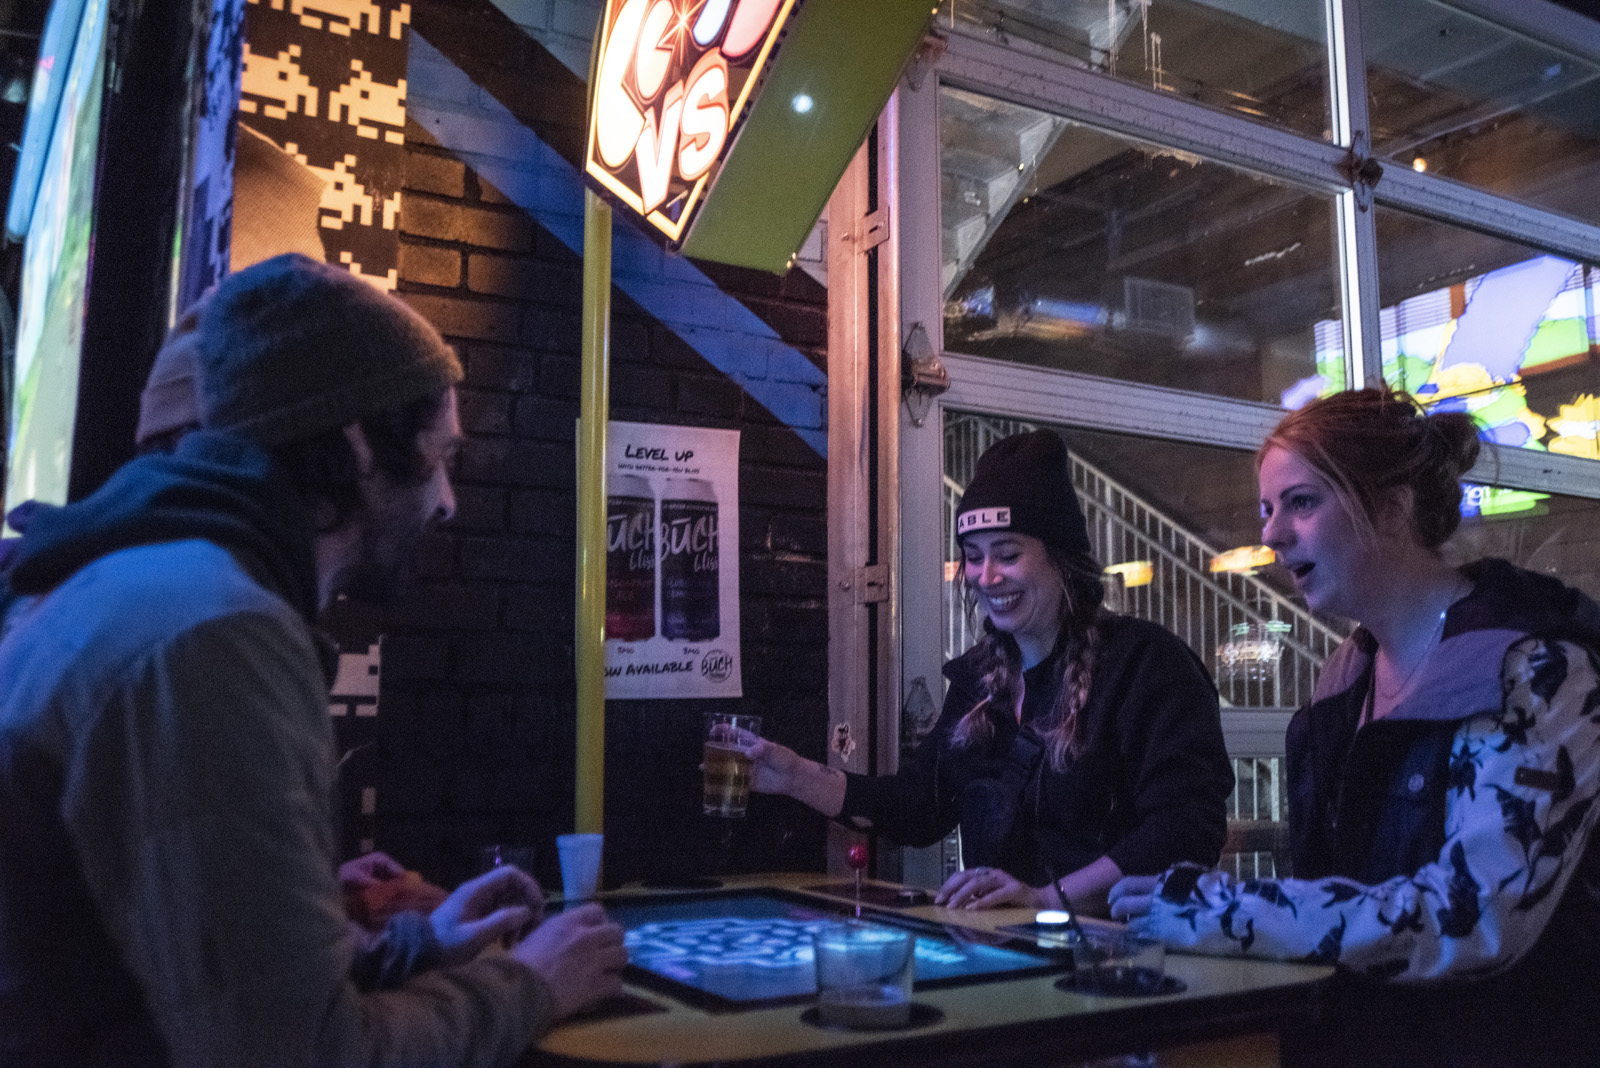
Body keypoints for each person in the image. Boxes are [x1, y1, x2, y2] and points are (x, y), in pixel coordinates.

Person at [0, 254, 627, 1067]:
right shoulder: (212, 634)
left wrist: (417, 946)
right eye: (438, 457)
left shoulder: (130, 589)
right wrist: (531, 984)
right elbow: (305, 1054)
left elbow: (160, 961)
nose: (448, 501)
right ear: (359, 443)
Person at [1109, 388, 1600, 1066]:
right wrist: (1220, 904)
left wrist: (1224, 913)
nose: (1272, 533)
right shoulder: (1344, 680)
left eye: (1301, 502)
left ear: (1392, 510)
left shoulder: (1535, 666)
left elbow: (1473, 918)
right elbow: (1337, 899)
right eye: (1267, 508)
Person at [746, 429, 1233, 912]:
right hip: (1008, 950)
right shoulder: (979, 681)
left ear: (1062, 560)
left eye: (1008, 554)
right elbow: (918, 808)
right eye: (974, 557)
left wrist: (1047, 901)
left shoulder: (1146, 664)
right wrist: (794, 775)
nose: (986, 576)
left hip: (1118, 962)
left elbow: (1185, 829)